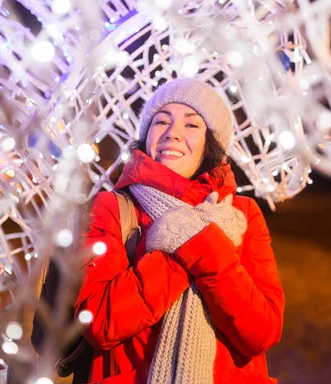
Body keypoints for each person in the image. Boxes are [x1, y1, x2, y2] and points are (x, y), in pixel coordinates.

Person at [75, 78, 285, 383]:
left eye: (191, 125)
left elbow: (262, 332)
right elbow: (99, 322)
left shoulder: (242, 215)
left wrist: (188, 239)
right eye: (161, 121)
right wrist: (191, 244)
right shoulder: (112, 207)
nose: (172, 133)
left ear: (212, 142)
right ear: (147, 135)